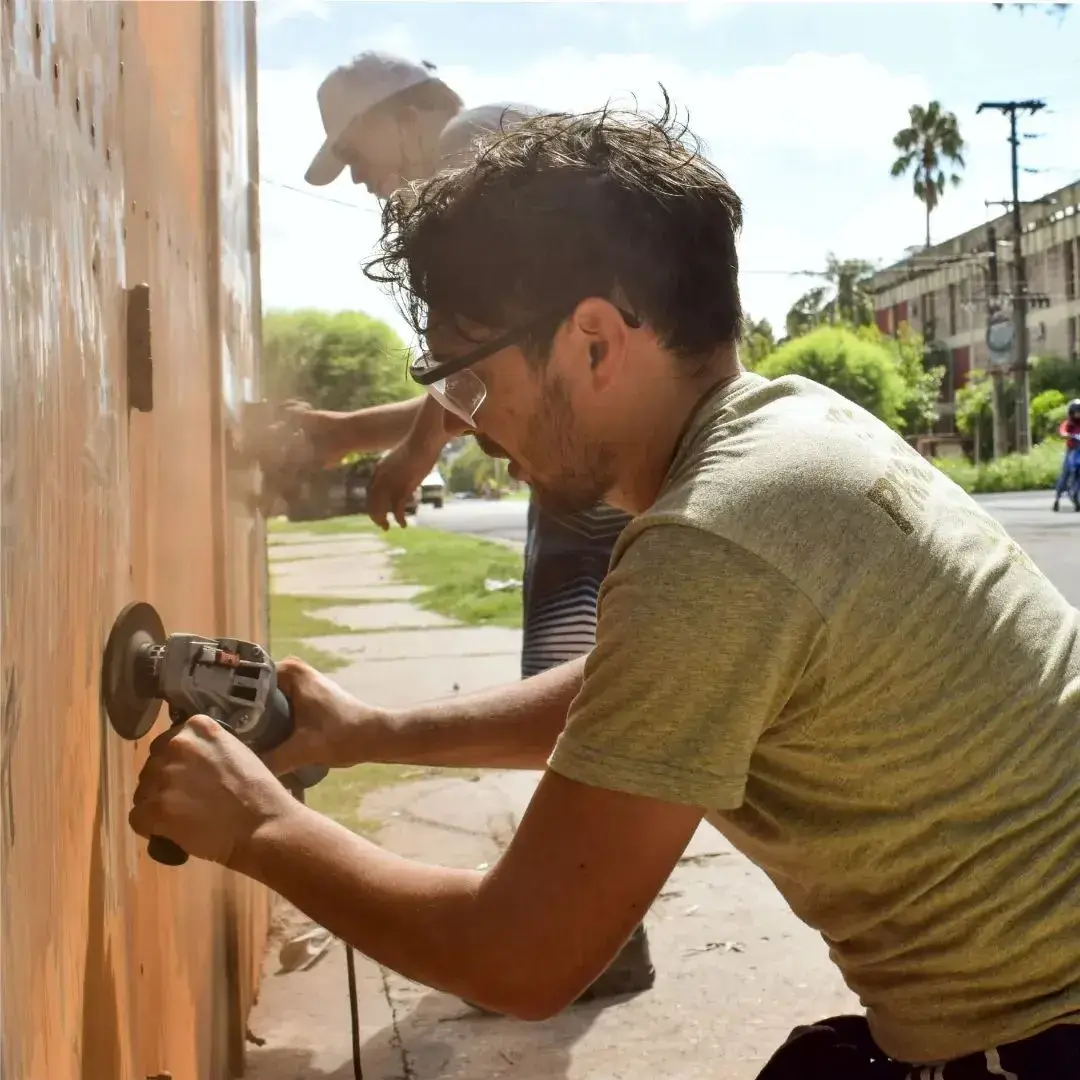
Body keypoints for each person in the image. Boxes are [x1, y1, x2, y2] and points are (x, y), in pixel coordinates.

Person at [130, 103, 1080, 1077]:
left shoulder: (716, 540)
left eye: (465, 381)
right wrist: (372, 733)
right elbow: (636, 696)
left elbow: (523, 955)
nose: (466, 421)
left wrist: (258, 825)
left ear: (591, 342)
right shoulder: (787, 431)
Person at [287, 54, 653, 1002]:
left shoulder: (471, 143)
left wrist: (412, 457)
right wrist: (348, 437)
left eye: (357, 154)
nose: (362, 179)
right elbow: (479, 379)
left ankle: (592, 934)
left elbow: (483, 362)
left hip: (592, 462)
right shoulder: (493, 136)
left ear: (405, 116)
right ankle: (602, 928)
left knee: (581, 692)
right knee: (585, 687)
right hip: (590, 452)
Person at [1052, 398, 1080, 512]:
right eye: (1076, 412)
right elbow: (1062, 431)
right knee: (1066, 472)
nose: (1078, 414)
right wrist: (1066, 434)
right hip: (1072, 449)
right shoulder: (1068, 423)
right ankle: (1057, 498)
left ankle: (1076, 494)